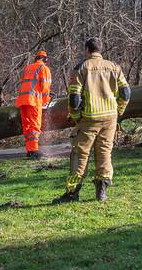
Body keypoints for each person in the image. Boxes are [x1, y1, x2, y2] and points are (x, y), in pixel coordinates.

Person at [57, 38, 130, 203]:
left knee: (79, 156)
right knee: (104, 153)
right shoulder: (114, 67)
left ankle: (72, 193)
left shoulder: (81, 68)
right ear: (100, 50)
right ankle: (101, 192)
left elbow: (74, 98)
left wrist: (76, 117)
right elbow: (126, 93)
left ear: (87, 50)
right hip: (110, 118)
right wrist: (118, 111)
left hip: (89, 119)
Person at [15, 50, 52, 158]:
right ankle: (34, 150)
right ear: (45, 59)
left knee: (27, 126)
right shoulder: (44, 68)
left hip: (23, 100)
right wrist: (46, 101)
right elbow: (45, 88)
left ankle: (30, 150)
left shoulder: (27, 68)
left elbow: (25, 83)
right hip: (34, 101)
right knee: (35, 125)